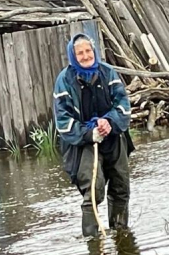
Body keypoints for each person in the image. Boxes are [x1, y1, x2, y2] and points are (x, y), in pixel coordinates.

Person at [53, 33, 134, 237]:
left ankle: (120, 234)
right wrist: (89, 133)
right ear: (73, 56)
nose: (86, 55)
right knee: (93, 190)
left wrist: (110, 122)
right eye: (80, 53)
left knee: (121, 187)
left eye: (88, 51)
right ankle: (92, 241)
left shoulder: (108, 73)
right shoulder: (64, 81)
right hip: (84, 143)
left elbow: (123, 105)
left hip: (113, 137)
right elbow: (63, 121)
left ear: (94, 51)